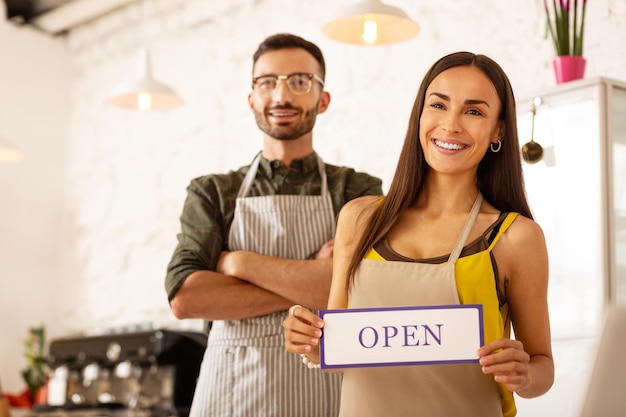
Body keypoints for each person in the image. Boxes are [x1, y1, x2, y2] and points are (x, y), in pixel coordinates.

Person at [283, 51, 554, 417]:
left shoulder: (516, 237)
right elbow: (339, 348)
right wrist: (310, 343)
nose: (451, 125)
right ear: (420, 115)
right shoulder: (359, 219)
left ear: (498, 130)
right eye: (438, 105)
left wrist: (525, 373)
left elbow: (542, 367)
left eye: (474, 111)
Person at [165, 33, 383, 417]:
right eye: (267, 82)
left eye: (299, 81)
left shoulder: (357, 189)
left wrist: (239, 263)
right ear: (251, 98)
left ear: (323, 99)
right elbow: (187, 298)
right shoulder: (213, 192)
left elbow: (365, 289)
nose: (281, 96)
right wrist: (318, 280)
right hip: (231, 393)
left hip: (325, 387)